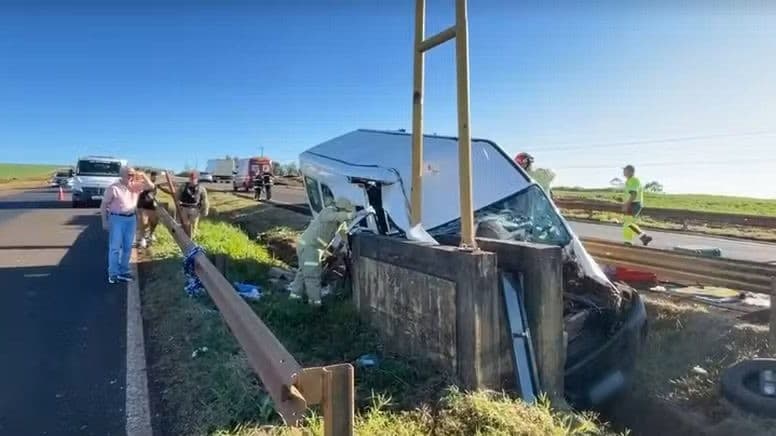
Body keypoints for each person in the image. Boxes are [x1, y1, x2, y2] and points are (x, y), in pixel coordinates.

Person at [288, 197, 357, 305]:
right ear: (341, 209)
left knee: (303, 272)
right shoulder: (328, 212)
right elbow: (333, 217)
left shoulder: (340, 222)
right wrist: (350, 215)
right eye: (347, 213)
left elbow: (344, 233)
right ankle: (315, 304)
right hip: (310, 247)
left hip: (310, 247)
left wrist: (349, 244)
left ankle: (294, 297)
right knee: (313, 276)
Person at [101, 166, 155, 284]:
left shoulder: (135, 186)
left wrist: (143, 175)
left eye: (132, 174)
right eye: (128, 174)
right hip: (116, 219)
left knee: (127, 247)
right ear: (122, 175)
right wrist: (104, 221)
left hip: (131, 219)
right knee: (115, 247)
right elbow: (104, 205)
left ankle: (124, 271)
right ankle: (113, 273)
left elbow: (151, 186)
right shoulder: (113, 188)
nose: (131, 177)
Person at [622, 164, 653, 246]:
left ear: (630, 171)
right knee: (628, 222)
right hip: (632, 203)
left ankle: (641, 237)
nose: (623, 172)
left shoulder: (633, 180)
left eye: (625, 170)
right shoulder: (629, 181)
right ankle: (632, 240)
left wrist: (627, 204)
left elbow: (633, 194)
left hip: (634, 203)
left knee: (628, 222)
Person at [177, 170, 209, 237]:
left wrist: (205, 210)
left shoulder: (201, 188)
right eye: (191, 178)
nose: (192, 180)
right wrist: (178, 204)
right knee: (184, 224)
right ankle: (183, 238)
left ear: (197, 179)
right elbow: (177, 195)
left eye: (194, 178)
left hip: (195, 209)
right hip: (184, 208)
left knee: (193, 226)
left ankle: (192, 239)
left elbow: (205, 200)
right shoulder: (183, 186)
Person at [136, 171, 160, 248]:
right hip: (142, 205)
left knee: (154, 221)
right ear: (150, 176)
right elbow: (150, 186)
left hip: (151, 205)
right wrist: (142, 175)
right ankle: (142, 238)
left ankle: (151, 234)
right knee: (143, 222)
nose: (154, 177)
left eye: (156, 176)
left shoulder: (157, 184)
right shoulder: (144, 183)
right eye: (153, 175)